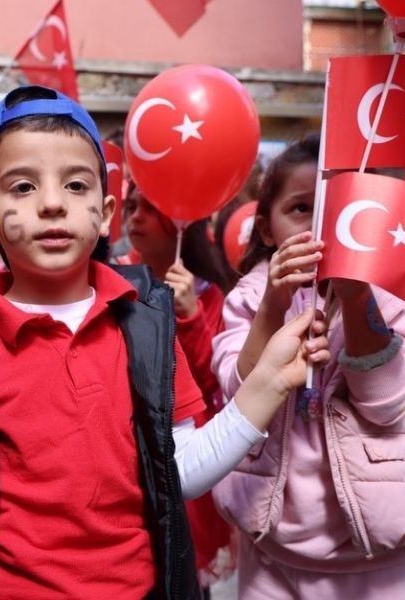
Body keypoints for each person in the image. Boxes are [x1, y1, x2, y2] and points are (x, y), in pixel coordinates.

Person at [0, 86, 331, 599]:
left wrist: (269, 383)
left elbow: (179, 469)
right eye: (22, 186)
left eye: (75, 185)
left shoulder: (147, 325)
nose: (51, 203)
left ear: (106, 214)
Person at [210, 134, 405, 599]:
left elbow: (388, 406)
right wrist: (272, 306)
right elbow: (241, 394)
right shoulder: (249, 296)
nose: (323, 226)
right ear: (266, 229)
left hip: (371, 552)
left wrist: (359, 299)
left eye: (346, 210)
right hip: (271, 548)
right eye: (302, 208)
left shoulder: (397, 297)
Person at [123, 183, 238, 586]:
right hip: (122, 446)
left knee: (180, 568)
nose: (134, 216)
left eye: (149, 208)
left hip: (179, 448)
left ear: (182, 224)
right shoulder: (109, 278)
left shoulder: (207, 293)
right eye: (130, 205)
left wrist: (189, 316)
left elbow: (213, 380)